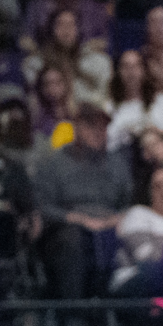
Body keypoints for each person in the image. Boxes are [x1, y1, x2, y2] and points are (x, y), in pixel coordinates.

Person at [30, 99, 133, 305]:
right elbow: (42, 206)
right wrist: (75, 218)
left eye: (103, 126)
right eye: (91, 125)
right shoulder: (56, 163)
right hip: (69, 229)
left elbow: (128, 202)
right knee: (72, 240)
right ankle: (74, 310)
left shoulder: (117, 163)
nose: (99, 131)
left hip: (110, 225)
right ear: (78, 127)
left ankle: (121, 313)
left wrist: (119, 218)